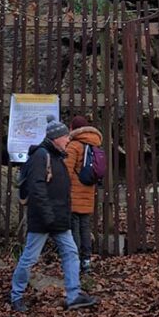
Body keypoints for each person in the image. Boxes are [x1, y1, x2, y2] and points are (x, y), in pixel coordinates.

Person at [11, 115, 97, 313]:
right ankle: (16, 295)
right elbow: (37, 188)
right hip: (43, 219)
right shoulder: (41, 156)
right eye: (65, 136)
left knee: (70, 253)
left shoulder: (58, 156)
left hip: (58, 218)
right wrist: (48, 216)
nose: (68, 139)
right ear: (56, 137)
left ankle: (74, 295)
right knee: (29, 258)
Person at [65, 115, 103, 272]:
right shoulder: (94, 144)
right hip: (88, 191)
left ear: (73, 128)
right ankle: (86, 260)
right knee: (85, 227)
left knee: (74, 227)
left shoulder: (74, 146)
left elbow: (66, 169)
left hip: (74, 193)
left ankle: (75, 259)